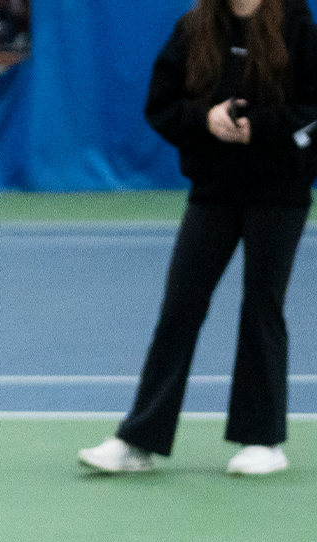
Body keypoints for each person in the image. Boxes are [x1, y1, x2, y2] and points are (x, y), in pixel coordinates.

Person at [81, 0, 317, 476]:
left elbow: (312, 112)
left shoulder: (297, 26)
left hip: (279, 193)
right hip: (213, 193)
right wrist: (205, 119)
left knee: (261, 307)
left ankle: (262, 440)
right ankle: (139, 441)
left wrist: (263, 129)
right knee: (179, 309)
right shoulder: (194, 28)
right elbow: (162, 105)